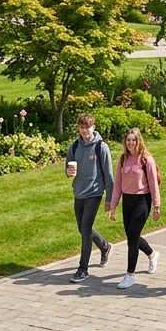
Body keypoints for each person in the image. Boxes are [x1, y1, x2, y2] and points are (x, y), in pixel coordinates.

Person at [106, 128, 161, 289]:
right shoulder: (123, 159)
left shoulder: (146, 160)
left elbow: (153, 184)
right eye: (128, 140)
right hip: (127, 201)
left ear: (139, 141)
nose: (131, 143)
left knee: (132, 239)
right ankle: (152, 254)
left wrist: (157, 206)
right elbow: (117, 184)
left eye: (133, 140)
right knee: (132, 237)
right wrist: (113, 205)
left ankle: (130, 275)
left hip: (142, 201)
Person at [65, 113, 114, 283]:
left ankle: (82, 269)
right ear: (79, 128)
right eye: (82, 127)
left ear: (93, 127)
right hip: (79, 192)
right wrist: (68, 172)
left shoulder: (101, 147)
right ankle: (105, 246)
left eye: (88, 127)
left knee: (85, 230)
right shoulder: (74, 146)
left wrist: (110, 199)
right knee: (82, 229)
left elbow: (108, 174)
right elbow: (67, 168)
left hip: (94, 193)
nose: (85, 130)